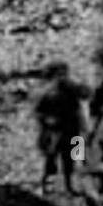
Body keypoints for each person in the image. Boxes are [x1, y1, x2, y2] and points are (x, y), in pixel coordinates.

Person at [34, 61, 89, 195]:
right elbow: (38, 111)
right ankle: (48, 186)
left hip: (72, 130)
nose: (62, 77)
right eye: (59, 74)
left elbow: (86, 94)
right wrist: (47, 121)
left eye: (64, 74)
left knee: (72, 159)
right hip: (55, 131)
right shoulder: (47, 93)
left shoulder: (72, 89)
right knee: (51, 159)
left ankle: (71, 185)